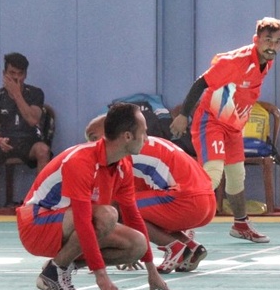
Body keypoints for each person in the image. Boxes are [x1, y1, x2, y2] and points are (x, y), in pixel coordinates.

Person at [17, 103, 177, 290]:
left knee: (137, 244)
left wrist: (152, 271)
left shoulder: (124, 164)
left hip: (66, 223)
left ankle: (60, 265)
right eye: (143, 132)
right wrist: (102, 277)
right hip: (36, 225)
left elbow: (133, 215)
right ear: (127, 136)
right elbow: (84, 222)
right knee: (107, 215)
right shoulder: (81, 161)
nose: (146, 138)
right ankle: (54, 273)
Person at [170, 17, 280, 242]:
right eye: (267, 40)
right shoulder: (235, 62)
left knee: (236, 177)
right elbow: (201, 83)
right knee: (213, 174)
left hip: (233, 126)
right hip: (210, 122)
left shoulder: (266, 61)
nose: (272, 46)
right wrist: (184, 115)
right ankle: (181, 225)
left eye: (277, 42)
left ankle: (240, 225)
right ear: (256, 40)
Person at [86, 116, 216, 273]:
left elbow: (113, 207)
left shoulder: (121, 152)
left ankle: (175, 247)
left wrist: (126, 249)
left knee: (119, 210)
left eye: (93, 139)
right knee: (135, 208)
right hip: (206, 202)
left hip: (186, 201)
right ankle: (189, 247)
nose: (90, 146)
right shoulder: (142, 142)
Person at [0, 52, 51, 176]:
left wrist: (17, 94)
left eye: (20, 73)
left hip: (28, 140)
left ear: (25, 75)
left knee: (43, 150)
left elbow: (33, 120)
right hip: (4, 140)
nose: (16, 78)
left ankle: (41, 194)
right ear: (4, 74)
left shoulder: (35, 93)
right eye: (12, 73)